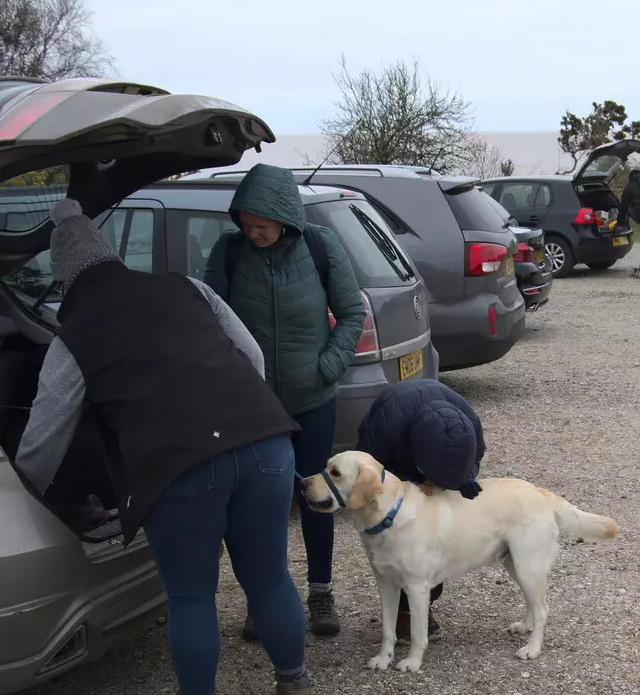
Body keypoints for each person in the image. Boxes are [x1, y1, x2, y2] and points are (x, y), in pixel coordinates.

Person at [16, 200, 313, 695]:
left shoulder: (74, 334)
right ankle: (295, 687)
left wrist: (21, 491)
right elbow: (251, 355)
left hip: (180, 467)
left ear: (64, 278)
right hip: (266, 441)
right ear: (114, 257)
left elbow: (46, 431)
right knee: (270, 576)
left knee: (193, 595)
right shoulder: (186, 288)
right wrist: (230, 410)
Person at [205, 164, 366, 639]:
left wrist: (328, 367)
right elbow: (207, 320)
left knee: (317, 498)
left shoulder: (320, 246)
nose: (251, 233)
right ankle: (264, 597)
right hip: (253, 408)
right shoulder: (229, 252)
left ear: (285, 218)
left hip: (313, 398)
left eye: (261, 225)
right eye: (245, 224)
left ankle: (320, 593)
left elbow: (352, 311)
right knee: (259, 504)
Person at [354, 379, 486, 640]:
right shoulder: (385, 424)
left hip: (427, 455)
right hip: (393, 463)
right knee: (397, 540)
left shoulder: (468, 422)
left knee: (437, 536)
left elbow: (476, 455)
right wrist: (411, 485)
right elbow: (368, 472)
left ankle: (421, 603)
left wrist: (463, 479)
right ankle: (400, 608)